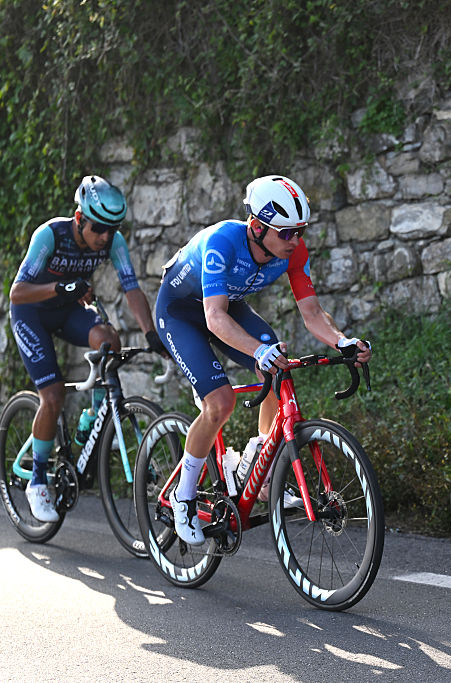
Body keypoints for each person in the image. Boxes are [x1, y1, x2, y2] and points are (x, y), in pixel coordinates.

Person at [156, 174, 371, 545]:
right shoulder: (222, 242)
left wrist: (343, 342)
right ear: (256, 227)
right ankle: (183, 494)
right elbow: (214, 318)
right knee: (220, 402)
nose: (296, 241)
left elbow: (313, 313)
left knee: (277, 361)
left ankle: (258, 460)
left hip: (227, 307)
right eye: (286, 233)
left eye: (300, 231)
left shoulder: (293, 252)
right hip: (182, 313)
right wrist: (256, 350)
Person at [10, 175, 168, 523]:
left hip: (68, 312)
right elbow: (17, 293)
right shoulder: (49, 235)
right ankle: (37, 481)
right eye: (99, 229)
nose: (106, 238)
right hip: (32, 313)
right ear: (79, 219)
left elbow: (132, 289)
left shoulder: (111, 241)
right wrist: (61, 286)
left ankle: (93, 420)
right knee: (52, 396)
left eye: (112, 229)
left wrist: (151, 332)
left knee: (109, 339)